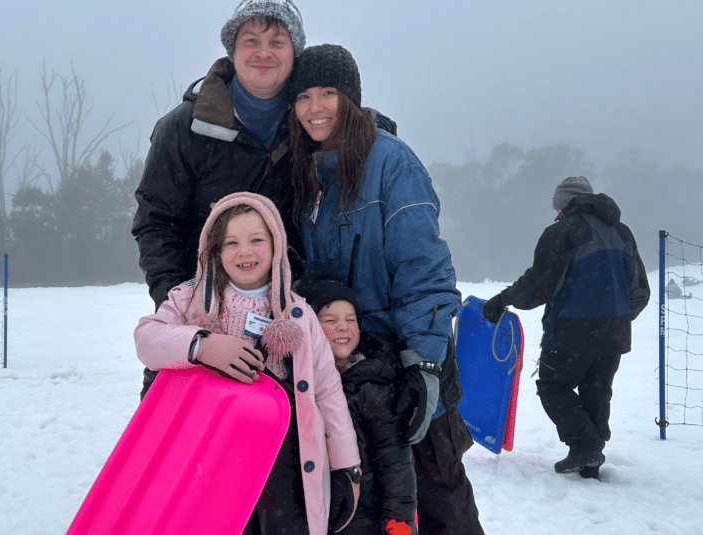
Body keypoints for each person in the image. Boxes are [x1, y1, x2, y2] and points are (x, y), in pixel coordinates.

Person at [287, 44, 484, 535]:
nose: (316, 108)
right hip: (354, 371)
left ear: (350, 98)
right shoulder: (308, 174)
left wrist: (425, 362)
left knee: (440, 499)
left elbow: (423, 267)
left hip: (410, 360)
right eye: (304, 96)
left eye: (328, 93)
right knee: (377, 509)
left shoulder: (391, 162)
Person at [134, 192, 361, 535]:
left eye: (257, 240)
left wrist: (346, 464)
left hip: (282, 465)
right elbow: (147, 339)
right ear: (215, 250)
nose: (245, 252)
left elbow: (327, 392)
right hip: (207, 459)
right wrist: (203, 345)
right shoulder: (187, 299)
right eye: (231, 242)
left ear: (276, 245)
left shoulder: (299, 314)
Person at [131, 0, 306, 399]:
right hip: (199, 328)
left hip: (289, 328)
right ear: (232, 49)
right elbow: (155, 225)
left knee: (287, 453)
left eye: (277, 41)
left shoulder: (313, 126)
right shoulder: (184, 128)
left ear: (295, 52)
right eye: (251, 40)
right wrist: (192, 317)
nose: (263, 52)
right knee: (186, 452)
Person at [482, 176, 650, 480]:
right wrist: (616, 319)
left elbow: (538, 286)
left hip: (571, 332)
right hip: (614, 334)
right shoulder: (621, 231)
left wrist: (502, 299)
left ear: (562, 204)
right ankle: (590, 462)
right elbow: (640, 291)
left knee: (553, 386)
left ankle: (585, 446)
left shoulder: (563, 231)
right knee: (596, 391)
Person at [294, 261, 417, 535]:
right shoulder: (301, 384)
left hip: (365, 513)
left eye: (350, 319)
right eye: (330, 320)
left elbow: (395, 458)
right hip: (319, 509)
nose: (343, 327)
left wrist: (399, 518)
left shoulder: (372, 383)